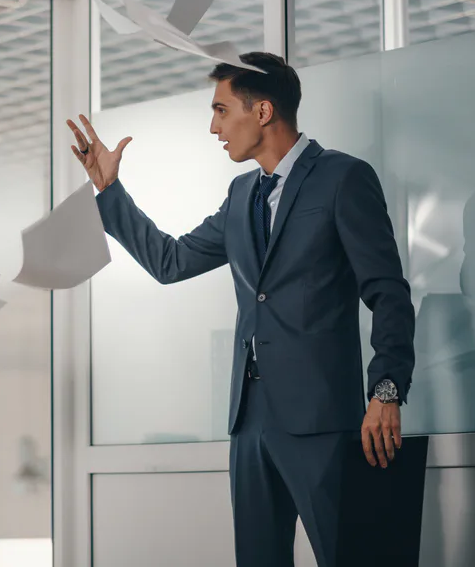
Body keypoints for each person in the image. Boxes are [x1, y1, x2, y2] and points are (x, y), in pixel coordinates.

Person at [66, 52, 415, 567]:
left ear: (263, 111)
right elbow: (170, 260)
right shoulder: (240, 194)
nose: (214, 127)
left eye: (221, 111)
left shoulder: (343, 178)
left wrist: (386, 390)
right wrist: (109, 190)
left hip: (322, 418)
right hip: (249, 423)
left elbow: (388, 291)